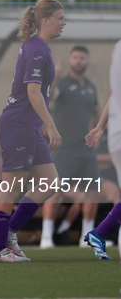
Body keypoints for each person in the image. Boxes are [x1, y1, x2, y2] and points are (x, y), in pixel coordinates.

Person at [0, 0, 66, 262]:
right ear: (45, 21)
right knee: (11, 186)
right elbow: (33, 92)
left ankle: (9, 234)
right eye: (60, 17)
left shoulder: (40, 47)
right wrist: (51, 124)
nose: (64, 22)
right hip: (18, 124)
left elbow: (40, 92)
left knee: (49, 182)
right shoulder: (36, 48)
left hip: (28, 126)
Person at [40, 46, 101, 249]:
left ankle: (88, 235)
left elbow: (96, 110)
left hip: (86, 149)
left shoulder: (91, 87)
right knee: (56, 190)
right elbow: (48, 97)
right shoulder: (62, 84)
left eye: (82, 58)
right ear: (70, 60)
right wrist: (53, 77)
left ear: (87, 61)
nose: (78, 61)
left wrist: (95, 130)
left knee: (93, 190)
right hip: (64, 148)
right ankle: (46, 236)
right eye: (75, 57)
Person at [83, 40, 121, 259]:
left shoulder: (117, 48)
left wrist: (100, 126)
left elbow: (115, 95)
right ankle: (100, 232)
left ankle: (100, 232)